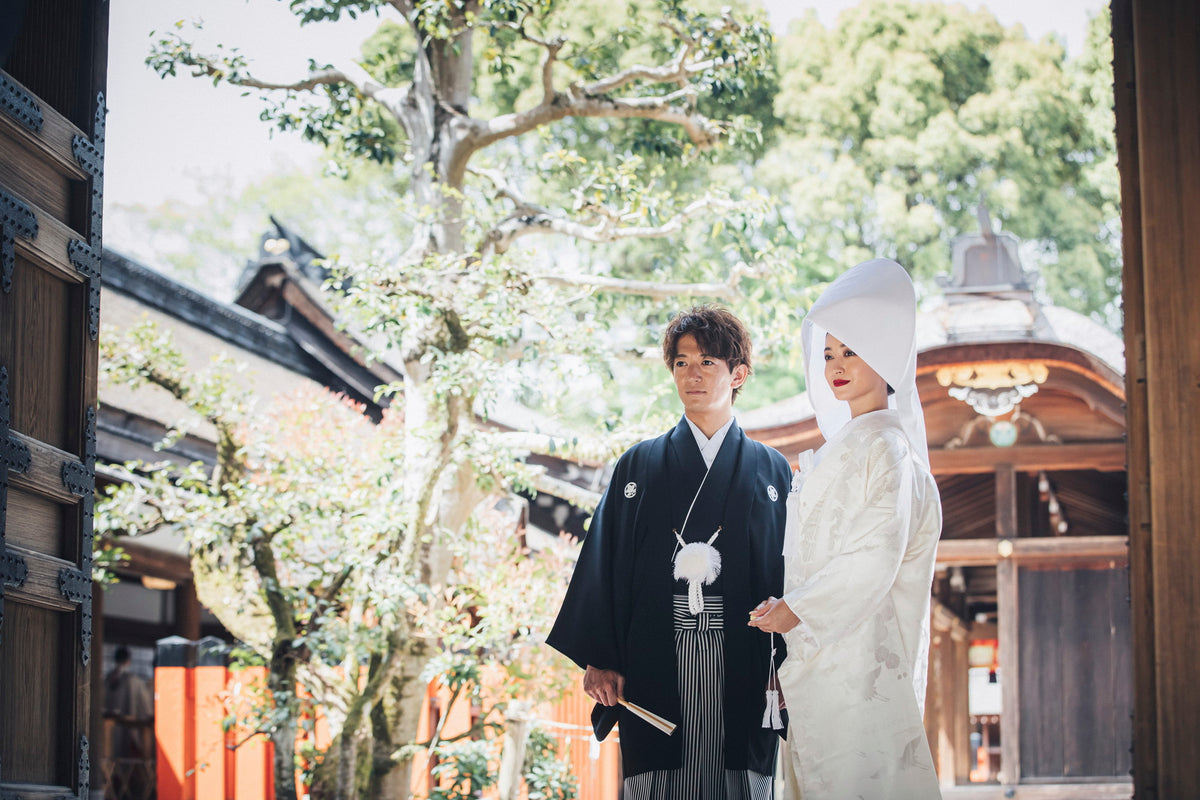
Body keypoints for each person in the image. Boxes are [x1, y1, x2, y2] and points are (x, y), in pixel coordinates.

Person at [547, 305, 792, 799]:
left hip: (745, 659)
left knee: (739, 778)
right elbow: (605, 563)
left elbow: (791, 573)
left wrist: (789, 666)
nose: (692, 375)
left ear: (738, 373)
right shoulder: (638, 465)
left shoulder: (773, 471)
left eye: (707, 363)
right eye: (681, 363)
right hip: (653, 660)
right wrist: (601, 655)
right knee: (659, 779)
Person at [749, 258, 943, 799]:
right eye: (829, 353)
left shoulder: (888, 447)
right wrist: (790, 607)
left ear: (883, 359)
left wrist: (801, 609)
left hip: (861, 653)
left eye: (851, 352)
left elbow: (874, 553)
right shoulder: (848, 445)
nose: (835, 365)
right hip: (824, 650)